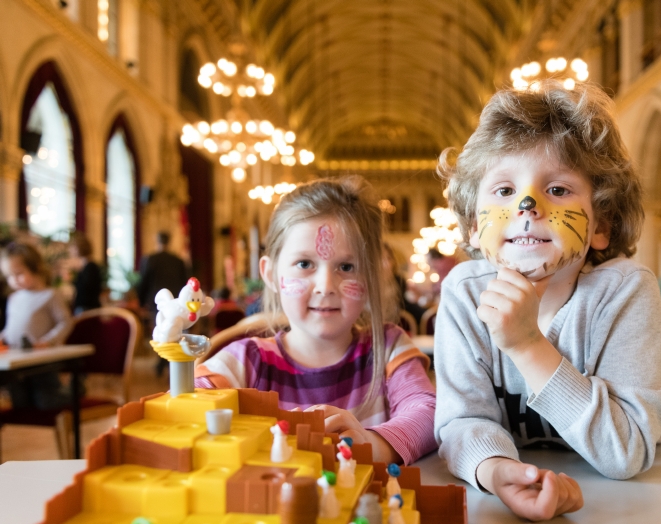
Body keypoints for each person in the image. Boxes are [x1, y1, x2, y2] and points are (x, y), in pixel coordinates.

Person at [434, 80, 661, 522]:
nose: (528, 206)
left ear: (601, 224)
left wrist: (527, 343)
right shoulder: (464, 292)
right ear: (473, 226)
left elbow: (626, 451)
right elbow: (460, 420)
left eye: (559, 190)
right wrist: (496, 471)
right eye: (505, 192)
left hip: (636, 510)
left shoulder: (625, 292)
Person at [195, 177, 437, 465]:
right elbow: (187, 410)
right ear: (271, 274)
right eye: (305, 264)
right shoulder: (246, 360)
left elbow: (427, 412)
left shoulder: (388, 347)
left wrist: (371, 442)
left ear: (372, 277)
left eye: (347, 267)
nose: (325, 286)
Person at [0, 242, 72, 409]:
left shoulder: (50, 295)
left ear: (36, 268)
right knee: (20, 402)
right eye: (10, 276)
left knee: (47, 401)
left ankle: (75, 390)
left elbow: (65, 322)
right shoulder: (13, 299)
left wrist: (48, 341)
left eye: (19, 274)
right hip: (17, 358)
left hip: (42, 360)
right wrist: (2, 337)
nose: (14, 280)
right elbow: (11, 327)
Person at [138, 231, 188, 376]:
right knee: (175, 331)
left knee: (163, 331)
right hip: (177, 304)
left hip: (158, 303)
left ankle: (163, 361)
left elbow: (144, 283)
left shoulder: (150, 259)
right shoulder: (178, 261)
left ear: (157, 240)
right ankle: (166, 362)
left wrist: (142, 302)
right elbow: (185, 284)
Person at [69, 232, 102, 314]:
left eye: (73, 247)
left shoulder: (90, 267)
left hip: (87, 309)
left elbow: (86, 290)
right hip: (86, 307)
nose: (70, 250)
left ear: (79, 248)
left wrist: (72, 279)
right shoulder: (86, 266)